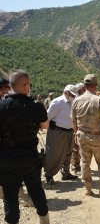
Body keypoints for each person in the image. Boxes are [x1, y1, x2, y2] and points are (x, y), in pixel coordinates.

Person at [0, 70, 50, 224]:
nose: (28, 87)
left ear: (10, 86)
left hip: (6, 159)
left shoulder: (1, 106)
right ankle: (44, 220)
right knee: (36, 190)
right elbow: (45, 126)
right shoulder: (36, 106)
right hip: (30, 158)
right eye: (27, 84)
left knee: (10, 194)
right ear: (26, 86)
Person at [71, 74, 100, 197]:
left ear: (85, 86)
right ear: (95, 86)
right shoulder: (99, 101)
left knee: (85, 163)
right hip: (97, 137)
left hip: (82, 136)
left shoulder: (76, 100)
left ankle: (87, 189)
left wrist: (75, 133)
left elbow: (74, 121)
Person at [44, 84, 78, 185]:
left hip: (69, 131)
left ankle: (65, 173)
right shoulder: (57, 102)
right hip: (57, 132)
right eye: (71, 94)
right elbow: (47, 117)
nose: (73, 96)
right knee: (53, 154)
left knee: (68, 153)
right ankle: (49, 175)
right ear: (66, 93)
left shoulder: (73, 102)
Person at [71, 83, 86, 174]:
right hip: (75, 126)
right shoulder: (76, 99)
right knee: (75, 148)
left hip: (82, 126)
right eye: (83, 88)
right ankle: (75, 167)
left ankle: (79, 166)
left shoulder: (81, 98)